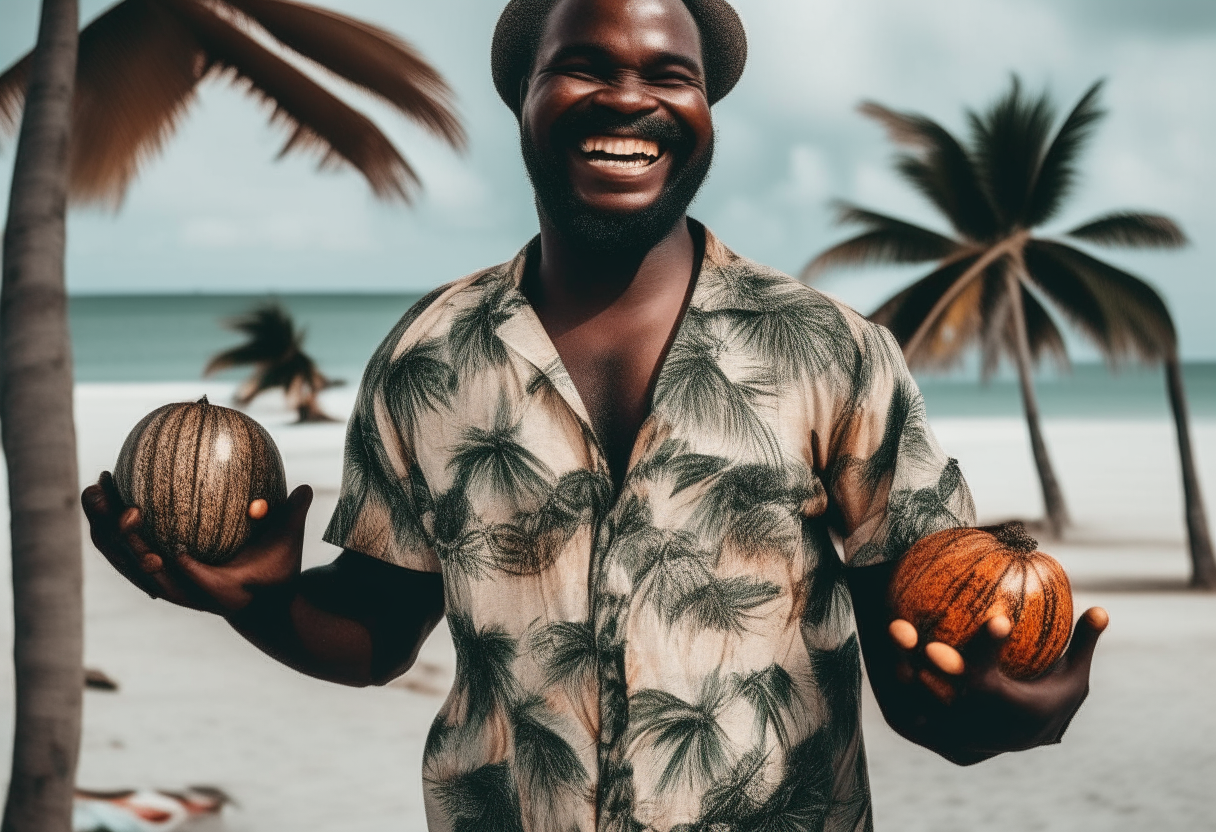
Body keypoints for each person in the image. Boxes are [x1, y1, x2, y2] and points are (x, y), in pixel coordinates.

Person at [82, 0, 1108, 829]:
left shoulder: (831, 351)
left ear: (705, 111)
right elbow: (377, 632)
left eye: (672, 74)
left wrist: (996, 711)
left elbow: (918, 646)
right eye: (583, 65)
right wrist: (259, 602)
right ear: (522, 98)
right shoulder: (428, 356)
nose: (630, 97)